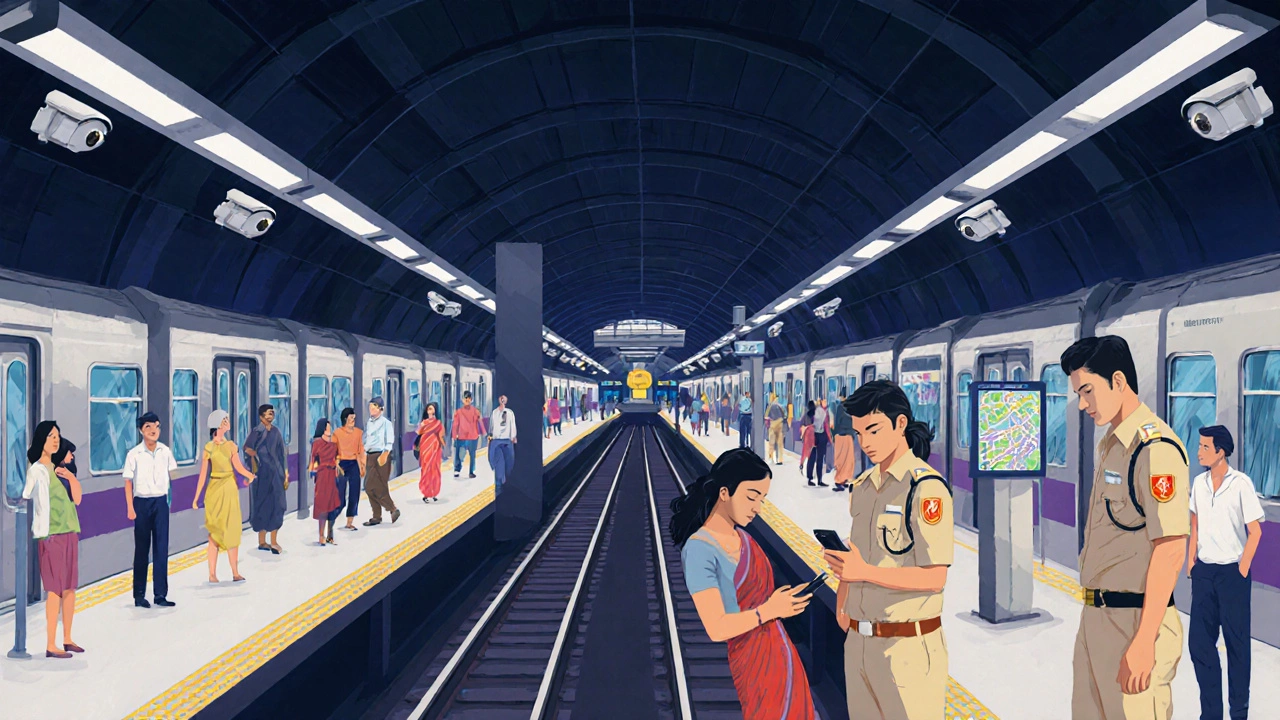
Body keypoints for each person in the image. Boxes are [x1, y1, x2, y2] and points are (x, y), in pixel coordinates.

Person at [1061, 335, 1188, 720]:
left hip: (1134, 623)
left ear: (1118, 381)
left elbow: (1170, 547)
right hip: (1097, 621)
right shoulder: (1113, 445)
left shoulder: (1155, 449)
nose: (1082, 404)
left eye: (1087, 390)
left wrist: (1144, 642)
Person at [824, 380, 953, 720]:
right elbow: (858, 556)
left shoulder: (926, 489)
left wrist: (863, 573)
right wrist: (844, 602)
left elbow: (935, 577)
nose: (865, 443)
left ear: (900, 424)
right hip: (860, 644)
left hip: (907, 648)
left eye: (873, 430)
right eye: (859, 433)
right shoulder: (863, 487)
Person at [670, 448, 816, 719]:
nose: (757, 509)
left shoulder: (745, 539)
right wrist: (770, 610)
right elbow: (716, 628)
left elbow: (763, 599)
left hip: (783, 658)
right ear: (724, 493)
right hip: (752, 663)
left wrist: (785, 601)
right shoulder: (700, 549)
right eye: (751, 497)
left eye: (762, 499)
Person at [1187, 425, 1263, 720]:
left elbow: (1255, 531)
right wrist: (1191, 561)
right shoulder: (1198, 483)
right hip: (1204, 574)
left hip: (1233, 575)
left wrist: (1242, 568)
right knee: (1199, 645)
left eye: (1205, 447)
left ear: (1221, 451)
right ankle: (1211, 714)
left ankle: (1239, 712)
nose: (1199, 452)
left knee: (1237, 647)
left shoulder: (1241, 483)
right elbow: (1194, 523)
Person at [22, 423, 83, 658]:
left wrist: (70, 476)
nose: (55, 441)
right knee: (54, 590)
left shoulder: (61, 471)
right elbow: (26, 494)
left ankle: (67, 639)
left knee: (69, 589)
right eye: (51, 436)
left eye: (57, 436)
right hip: (51, 536)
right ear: (41, 440)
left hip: (70, 533)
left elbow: (77, 499)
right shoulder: (36, 470)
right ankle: (50, 644)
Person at [193, 410, 256, 583]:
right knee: (218, 532)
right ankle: (219, 573)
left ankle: (229, 573)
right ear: (219, 424)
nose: (228, 422)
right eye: (225, 420)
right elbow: (204, 475)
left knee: (228, 531)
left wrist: (248, 475)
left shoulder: (225, 447)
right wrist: (196, 497)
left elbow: (237, 468)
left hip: (222, 489)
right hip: (220, 490)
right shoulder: (215, 448)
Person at [122, 412, 178, 608]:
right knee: (142, 550)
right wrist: (130, 507)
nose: (153, 430)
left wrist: (170, 500)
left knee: (161, 549)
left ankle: (160, 595)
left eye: (156, 426)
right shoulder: (134, 454)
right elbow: (128, 482)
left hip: (161, 503)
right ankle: (139, 595)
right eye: (148, 427)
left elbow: (172, 477)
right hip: (141, 503)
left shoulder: (165, 451)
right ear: (141, 431)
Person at [244, 404, 288, 554]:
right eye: (269, 413)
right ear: (262, 416)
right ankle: (262, 542)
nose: (272, 416)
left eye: (272, 413)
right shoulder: (257, 432)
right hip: (262, 476)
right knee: (262, 506)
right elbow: (247, 448)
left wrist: (286, 473)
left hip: (276, 474)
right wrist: (256, 456)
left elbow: (282, 453)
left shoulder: (276, 432)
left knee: (278, 505)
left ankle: (274, 542)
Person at [363, 397, 400, 526]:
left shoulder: (386, 423)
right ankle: (383, 513)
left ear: (380, 409)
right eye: (370, 406)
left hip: (381, 456)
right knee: (369, 487)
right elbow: (367, 441)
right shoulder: (369, 423)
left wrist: (385, 454)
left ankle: (387, 511)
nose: (371, 409)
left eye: (374, 406)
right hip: (370, 456)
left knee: (378, 486)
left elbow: (389, 440)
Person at [331, 408, 365, 531]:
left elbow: (361, 451)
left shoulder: (358, 433)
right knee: (340, 495)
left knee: (354, 493)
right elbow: (333, 450)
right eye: (351, 418)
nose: (353, 421)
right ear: (345, 419)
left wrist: (362, 466)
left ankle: (349, 522)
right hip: (341, 464)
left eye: (354, 418)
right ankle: (331, 520)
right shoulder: (337, 433)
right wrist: (335, 463)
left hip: (354, 463)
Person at [309, 419, 342, 545]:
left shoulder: (334, 442)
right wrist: (313, 470)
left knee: (332, 505)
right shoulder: (317, 443)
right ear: (323, 429)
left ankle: (330, 534)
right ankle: (321, 535)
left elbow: (338, 455)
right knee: (322, 505)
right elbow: (313, 459)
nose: (330, 429)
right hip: (322, 476)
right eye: (328, 427)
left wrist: (337, 463)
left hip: (332, 475)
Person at [416, 402, 446, 502]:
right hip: (425, 447)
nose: (430, 410)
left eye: (432, 409)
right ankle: (426, 493)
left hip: (435, 447)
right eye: (429, 408)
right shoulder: (423, 423)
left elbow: (441, 435)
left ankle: (433, 492)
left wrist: (443, 444)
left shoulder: (438, 423)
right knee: (426, 469)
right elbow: (418, 432)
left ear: (435, 411)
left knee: (435, 469)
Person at [488, 395, 517, 494]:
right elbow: (491, 426)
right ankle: (499, 485)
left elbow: (512, 425)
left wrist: (513, 436)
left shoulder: (510, 413)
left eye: (504, 398)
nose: (502, 400)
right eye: (501, 398)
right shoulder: (494, 413)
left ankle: (505, 483)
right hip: (497, 441)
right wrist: (491, 436)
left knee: (509, 463)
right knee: (499, 463)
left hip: (507, 441)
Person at [831, 389, 856, 492]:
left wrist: (834, 434)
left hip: (840, 435)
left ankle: (839, 481)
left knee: (840, 459)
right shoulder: (853, 408)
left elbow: (837, 422)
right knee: (848, 459)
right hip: (849, 436)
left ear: (842, 396)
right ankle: (845, 479)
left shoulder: (840, 407)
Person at [453, 391, 482, 479]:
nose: (467, 400)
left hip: (473, 436)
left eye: (469, 398)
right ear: (462, 400)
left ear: (471, 399)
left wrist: (481, 433)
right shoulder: (458, 412)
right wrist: (455, 435)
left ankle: (471, 471)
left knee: (472, 455)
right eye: (465, 398)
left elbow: (478, 421)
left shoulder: (475, 411)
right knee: (459, 453)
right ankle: (457, 468)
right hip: (461, 436)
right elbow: (455, 424)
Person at [807, 398, 831, 487]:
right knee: (814, 457)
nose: (825, 403)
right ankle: (812, 478)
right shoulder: (817, 412)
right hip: (815, 436)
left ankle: (818, 479)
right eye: (823, 401)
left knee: (818, 458)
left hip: (820, 436)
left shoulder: (825, 412)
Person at [765, 393, 787, 465]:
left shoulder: (770, 406)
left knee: (771, 443)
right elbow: (785, 415)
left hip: (772, 425)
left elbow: (766, 416)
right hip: (780, 424)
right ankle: (780, 459)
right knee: (780, 443)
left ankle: (771, 458)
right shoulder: (780, 406)